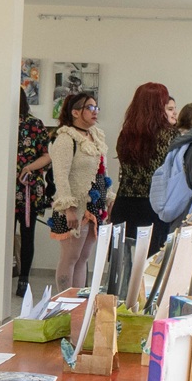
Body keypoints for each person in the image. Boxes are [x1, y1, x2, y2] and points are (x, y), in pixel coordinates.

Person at [48, 90, 109, 290]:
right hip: (74, 207)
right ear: (75, 112)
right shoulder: (66, 138)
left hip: (94, 206)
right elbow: (61, 175)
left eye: (96, 107)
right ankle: (65, 302)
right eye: (89, 108)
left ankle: (78, 304)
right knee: (70, 257)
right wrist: (68, 207)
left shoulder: (96, 136)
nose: (95, 112)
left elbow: (102, 171)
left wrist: (108, 197)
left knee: (83, 257)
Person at [108, 81, 177, 248]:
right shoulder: (169, 134)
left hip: (125, 202)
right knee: (150, 265)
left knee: (122, 264)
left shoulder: (126, 134)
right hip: (154, 206)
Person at [13, 94, 54, 294]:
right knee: (3, 236)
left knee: (28, 236)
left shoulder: (35, 124)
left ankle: (23, 279)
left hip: (28, 188)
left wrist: (28, 168)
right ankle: (2, 275)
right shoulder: (0, 120)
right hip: (4, 188)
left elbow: (46, 156)